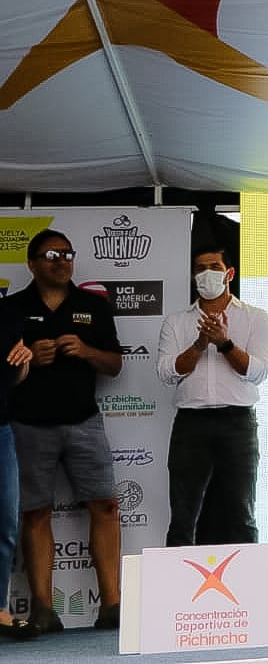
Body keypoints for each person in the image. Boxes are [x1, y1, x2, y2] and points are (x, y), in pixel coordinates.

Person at [7, 230, 123, 632]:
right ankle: (43, 608)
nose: (62, 261)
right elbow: (2, 370)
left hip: (84, 421)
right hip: (28, 424)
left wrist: (87, 351)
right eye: (52, 255)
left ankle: (112, 605)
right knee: (35, 513)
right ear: (32, 263)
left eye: (67, 254)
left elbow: (115, 365)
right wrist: (28, 361)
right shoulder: (11, 308)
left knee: (106, 506)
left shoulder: (93, 305)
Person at [156, 245, 268, 547]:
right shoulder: (177, 322)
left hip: (238, 423)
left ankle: (247, 576)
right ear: (193, 277)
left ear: (229, 274)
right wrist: (199, 344)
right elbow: (166, 372)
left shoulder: (256, 317)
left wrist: (223, 343)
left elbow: (258, 372)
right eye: (200, 268)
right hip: (191, 424)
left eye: (214, 267)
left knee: (241, 513)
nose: (206, 274)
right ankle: (177, 577)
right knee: (183, 516)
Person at [0, 303, 37, 641]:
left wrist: (25, 360)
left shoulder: (7, 313)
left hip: (1, 429)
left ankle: (0, 608)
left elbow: (15, 375)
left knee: (6, 523)